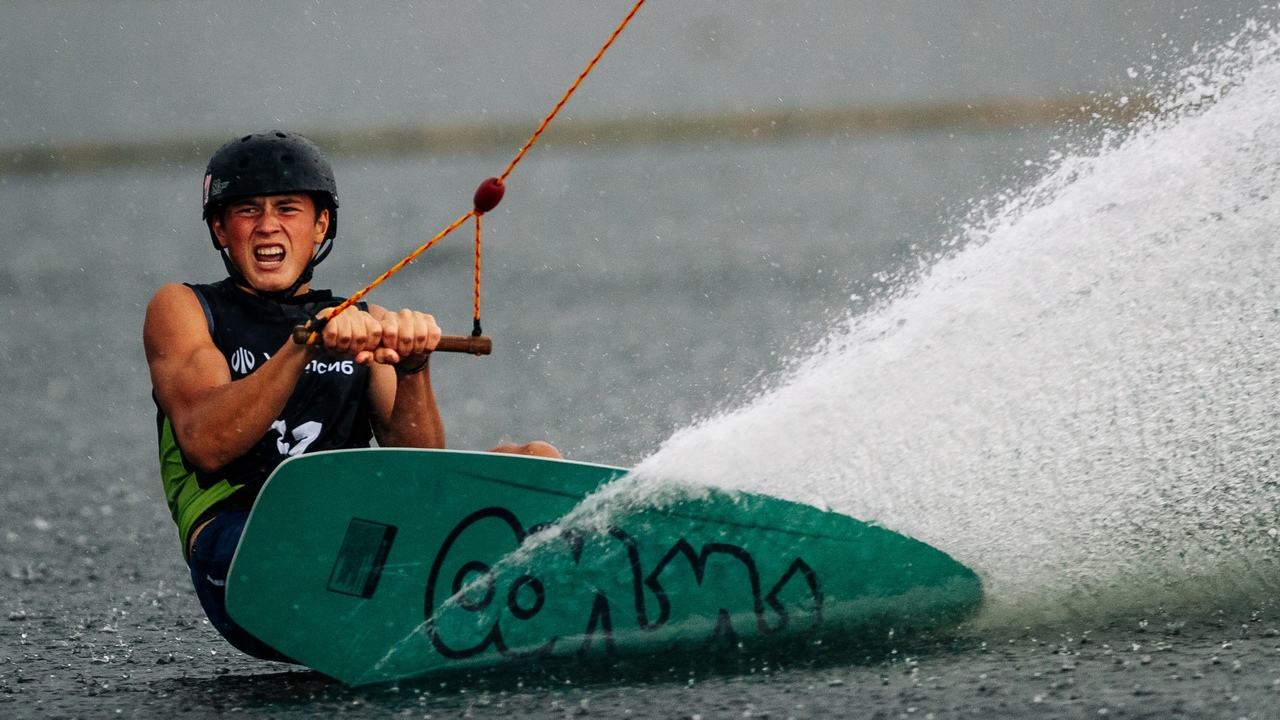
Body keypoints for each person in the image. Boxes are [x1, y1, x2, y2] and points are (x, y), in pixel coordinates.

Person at [143, 130, 558, 660]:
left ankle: (551, 582)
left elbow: (421, 468)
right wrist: (302, 347)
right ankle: (454, 594)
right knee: (333, 527)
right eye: (247, 211)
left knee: (531, 463)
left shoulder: (364, 319)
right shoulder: (182, 309)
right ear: (221, 230)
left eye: (288, 208)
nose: (268, 225)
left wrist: (413, 367)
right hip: (243, 553)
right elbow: (206, 442)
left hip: (357, 533)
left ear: (321, 226)